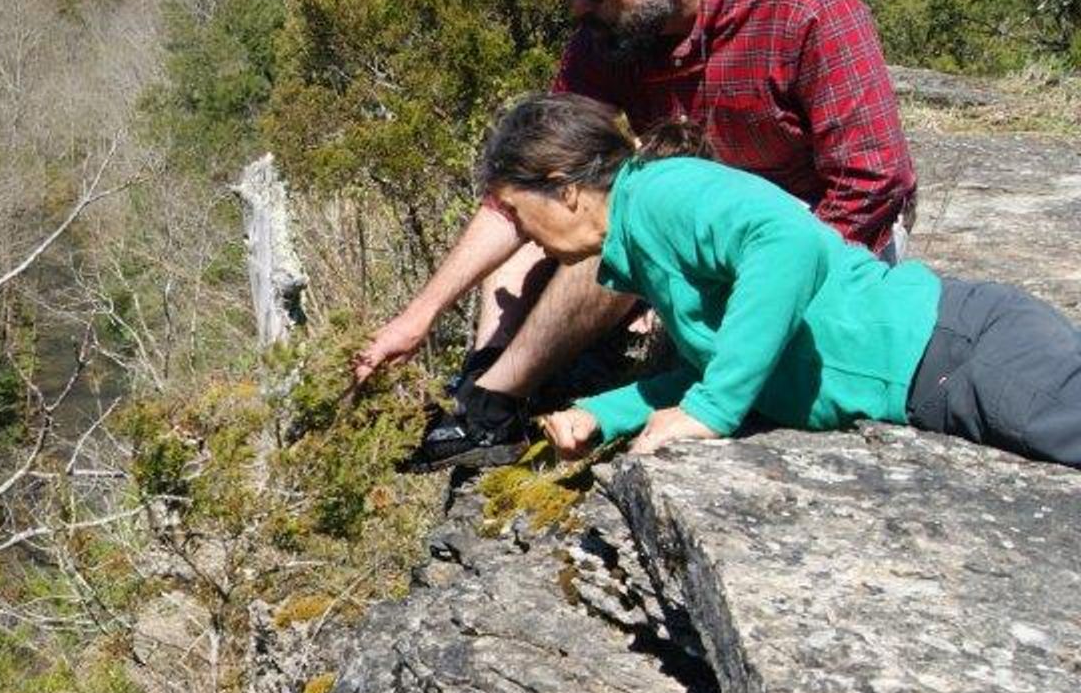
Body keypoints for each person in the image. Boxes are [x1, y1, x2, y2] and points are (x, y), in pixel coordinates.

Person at [352, 0, 918, 471]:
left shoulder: (800, 7)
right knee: (554, 209)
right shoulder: (612, 37)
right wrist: (419, 315)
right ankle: (483, 393)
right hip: (690, 229)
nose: (578, 7)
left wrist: (751, 309)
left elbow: (872, 181)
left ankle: (495, 402)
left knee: (619, 228)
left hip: (805, 243)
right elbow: (529, 179)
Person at [463, 93, 1081, 468]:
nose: (520, 233)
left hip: (961, 352)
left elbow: (789, 241)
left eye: (516, 210)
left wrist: (710, 410)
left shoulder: (661, 195)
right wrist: (601, 414)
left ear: (565, 190)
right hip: (935, 374)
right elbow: (731, 366)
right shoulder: (641, 240)